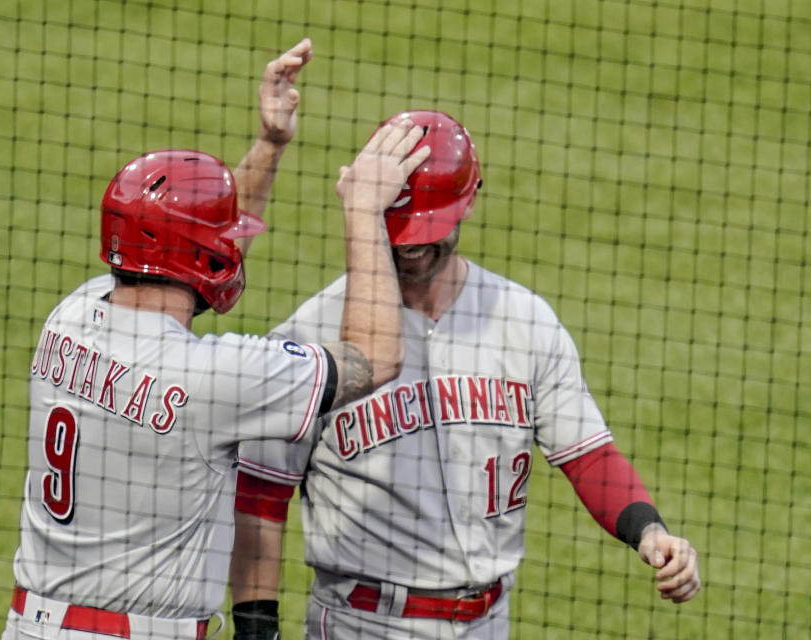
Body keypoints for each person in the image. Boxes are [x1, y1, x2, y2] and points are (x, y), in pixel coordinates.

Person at [1, 40, 433, 640]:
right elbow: (376, 357)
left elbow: (188, 251)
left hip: (32, 624)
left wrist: (269, 146)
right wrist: (363, 210)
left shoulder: (72, 315)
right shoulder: (214, 377)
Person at [230, 110, 702, 640]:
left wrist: (649, 530)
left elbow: (590, 456)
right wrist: (255, 629)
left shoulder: (524, 322)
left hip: (487, 623)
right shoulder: (312, 334)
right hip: (362, 623)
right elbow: (259, 499)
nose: (410, 247)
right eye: (397, 226)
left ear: (470, 201)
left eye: (427, 231)